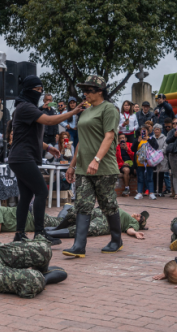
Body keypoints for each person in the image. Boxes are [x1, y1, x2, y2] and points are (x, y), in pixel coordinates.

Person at [7, 75, 82, 245]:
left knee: (26, 196)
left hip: (22, 157)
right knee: (42, 191)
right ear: (27, 90)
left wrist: (48, 147)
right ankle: (40, 233)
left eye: (41, 90)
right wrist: (73, 112)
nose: (39, 93)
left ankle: (19, 234)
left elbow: (28, 136)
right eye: (37, 90)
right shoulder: (25, 107)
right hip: (22, 157)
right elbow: (49, 121)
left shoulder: (26, 107)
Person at [55, 75, 122, 258]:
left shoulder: (109, 109)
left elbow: (109, 136)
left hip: (104, 166)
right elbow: (80, 142)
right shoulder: (84, 112)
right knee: (82, 205)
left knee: (108, 204)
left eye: (88, 91)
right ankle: (79, 246)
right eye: (83, 91)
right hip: (84, 167)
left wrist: (97, 160)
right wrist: (71, 166)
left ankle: (116, 240)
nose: (84, 94)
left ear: (100, 92)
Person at [46, 206, 148, 240]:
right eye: (140, 214)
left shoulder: (134, 222)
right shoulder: (126, 214)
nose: (139, 215)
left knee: (85, 228)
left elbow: (130, 230)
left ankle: (49, 233)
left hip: (107, 222)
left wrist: (135, 233)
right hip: (101, 212)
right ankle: (55, 228)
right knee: (78, 210)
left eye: (141, 218)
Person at [133, 126, 158, 200]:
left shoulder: (151, 138)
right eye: (142, 130)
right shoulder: (137, 139)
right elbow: (133, 149)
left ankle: (151, 193)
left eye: (145, 130)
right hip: (140, 163)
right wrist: (137, 141)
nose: (143, 132)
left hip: (149, 163)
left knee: (150, 178)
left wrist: (149, 140)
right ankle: (139, 193)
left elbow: (156, 147)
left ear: (148, 131)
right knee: (140, 178)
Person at [152, 123, 170, 195]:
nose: (156, 131)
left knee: (161, 175)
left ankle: (159, 191)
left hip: (162, 158)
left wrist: (158, 153)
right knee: (154, 175)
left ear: (160, 130)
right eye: (155, 129)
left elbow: (165, 148)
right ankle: (153, 190)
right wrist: (154, 154)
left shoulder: (165, 138)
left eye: (158, 129)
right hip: (153, 159)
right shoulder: (152, 138)